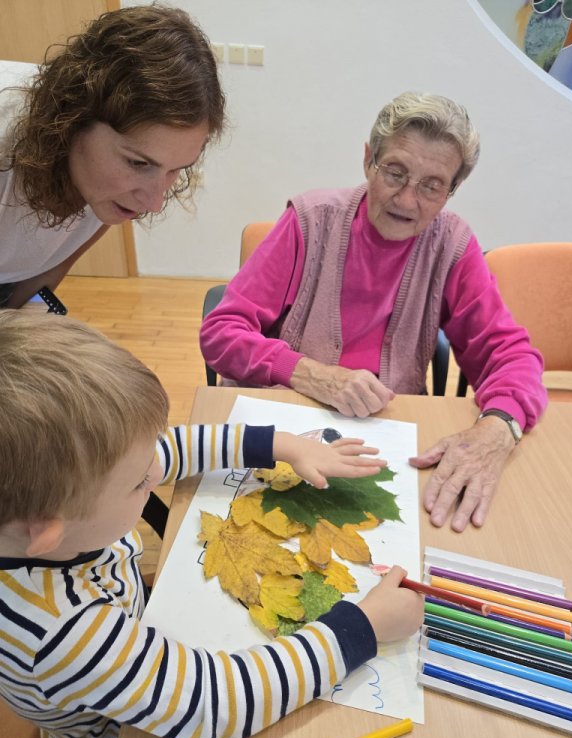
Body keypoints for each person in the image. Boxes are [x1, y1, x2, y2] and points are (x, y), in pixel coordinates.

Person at [0, 310, 423, 738]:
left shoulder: (50, 510)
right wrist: (363, 628)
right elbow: (214, 702)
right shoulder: (65, 632)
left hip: (128, 639)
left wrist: (283, 445)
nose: (156, 471)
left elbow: (171, 450)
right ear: (48, 532)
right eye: (140, 482)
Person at [200, 91, 548, 534]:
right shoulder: (310, 221)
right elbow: (221, 332)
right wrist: (311, 374)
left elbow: (511, 356)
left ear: (451, 191)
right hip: (285, 429)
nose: (407, 200)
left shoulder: (452, 246)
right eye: (395, 173)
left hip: (384, 437)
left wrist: (499, 427)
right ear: (369, 160)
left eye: (431, 186)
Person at [0, 3, 224, 308]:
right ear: (71, 118)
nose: (154, 203)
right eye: (138, 163)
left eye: (176, 169)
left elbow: (51, 267)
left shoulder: (108, 189)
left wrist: (23, 322)